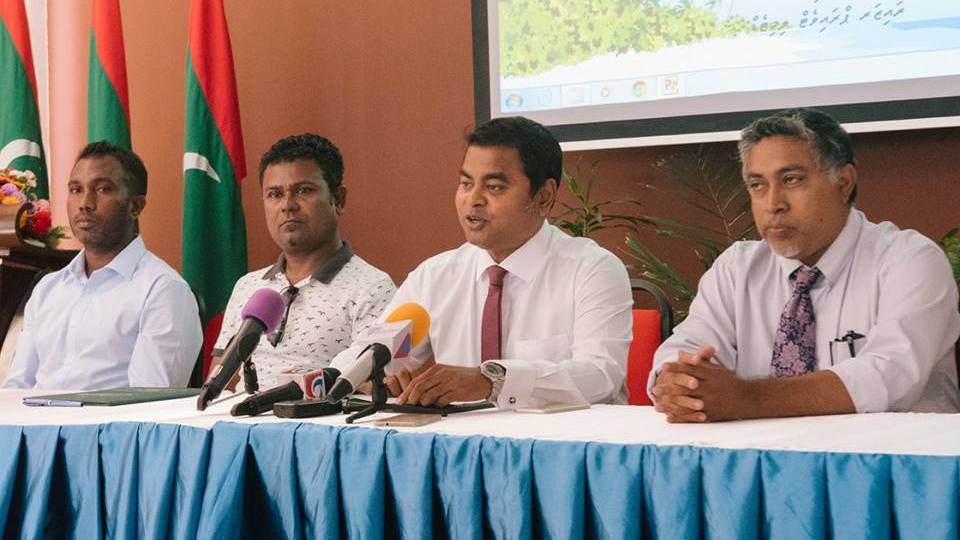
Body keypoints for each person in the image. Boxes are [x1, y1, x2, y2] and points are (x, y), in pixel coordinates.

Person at [650, 108, 960, 422]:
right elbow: (687, 346)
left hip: (893, 451)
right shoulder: (736, 269)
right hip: (761, 451)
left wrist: (749, 398)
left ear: (843, 183)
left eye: (791, 180)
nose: (773, 204)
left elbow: (891, 375)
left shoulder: (910, 260)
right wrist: (678, 381)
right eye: (757, 185)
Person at [330, 116, 632, 408]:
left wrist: (492, 380)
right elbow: (368, 355)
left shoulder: (592, 270)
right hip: (459, 440)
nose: (473, 199)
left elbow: (601, 376)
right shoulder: (434, 277)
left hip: (561, 439)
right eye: (465, 183)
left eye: (494, 187)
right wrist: (364, 377)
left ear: (544, 197)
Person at [4, 142, 203, 390]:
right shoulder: (48, 289)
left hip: (108, 418)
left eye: (102, 189)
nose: (84, 203)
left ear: (135, 206)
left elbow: (148, 402)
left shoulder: (163, 291)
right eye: (76, 189)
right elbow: (17, 388)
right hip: (34, 416)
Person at [211, 133, 395, 388]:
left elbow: (369, 386)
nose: (287, 205)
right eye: (274, 194)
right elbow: (219, 383)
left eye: (303, 191)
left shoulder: (373, 289)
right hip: (240, 413)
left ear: (338, 199)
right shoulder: (248, 286)